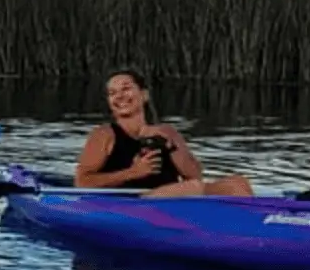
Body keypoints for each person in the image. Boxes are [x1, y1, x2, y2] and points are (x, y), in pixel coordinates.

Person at [74, 69, 255, 196]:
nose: (120, 96)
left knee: (238, 183)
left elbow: (194, 175)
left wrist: (171, 145)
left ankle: (257, 229)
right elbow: (82, 182)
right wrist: (133, 172)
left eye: (126, 88)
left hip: (172, 200)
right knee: (191, 189)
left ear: (144, 95)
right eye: (113, 93)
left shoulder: (167, 132)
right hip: (131, 204)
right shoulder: (104, 135)